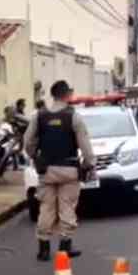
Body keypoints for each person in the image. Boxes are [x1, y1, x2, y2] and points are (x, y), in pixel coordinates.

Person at [24, 80, 96, 262]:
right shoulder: (74, 117)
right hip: (69, 170)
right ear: (67, 95)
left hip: (46, 170)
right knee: (67, 208)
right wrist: (89, 164)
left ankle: (43, 248)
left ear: (52, 95)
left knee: (46, 208)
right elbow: (85, 145)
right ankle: (65, 247)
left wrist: (35, 156)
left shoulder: (38, 116)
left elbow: (28, 141)